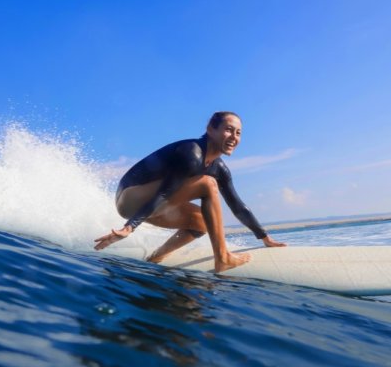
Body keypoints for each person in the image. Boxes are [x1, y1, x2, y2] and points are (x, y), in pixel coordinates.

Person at [94, 111, 285, 272]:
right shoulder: (191, 153)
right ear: (211, 129)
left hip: (153, 205)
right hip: (130, 198)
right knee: (208, 184)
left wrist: (265, 238)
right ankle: (223, 258)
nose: (234, 137)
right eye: (228, 130)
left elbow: (238, 206)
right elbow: (164, 193)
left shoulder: (219, 168)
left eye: (238, 133)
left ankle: (156, 257)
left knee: (202, 223)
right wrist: (129, 227)